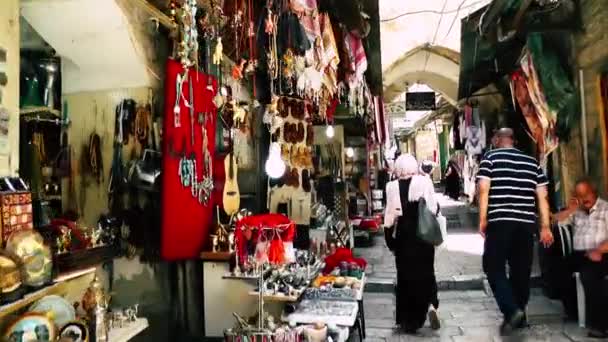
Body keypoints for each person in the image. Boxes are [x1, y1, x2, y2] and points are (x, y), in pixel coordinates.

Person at [477, 128, 554, 336]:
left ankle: (512, 311)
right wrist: (545, 226)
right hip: (526, 224)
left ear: (496, 140)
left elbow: (484, 189)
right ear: (514, 140)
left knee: (493, 267)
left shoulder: (490, 158)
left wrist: (483, 219)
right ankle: (520, 316)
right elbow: (542, 195)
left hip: (500, 221)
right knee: (521, 271)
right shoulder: (532, 162)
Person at [384, 154, 441, 333]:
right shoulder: (425, 182)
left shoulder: (392, 187)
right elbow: (433, 208)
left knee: (405, 276)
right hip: (423, 236)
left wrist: (389, 239)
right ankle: (430, 303)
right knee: (426, 271)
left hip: (404, 236)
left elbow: (390, 216)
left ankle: (409, 320)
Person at [553, 179, 608, 338]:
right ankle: (575, 312)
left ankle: (600, 325)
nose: (585, 198)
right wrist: (570, 210)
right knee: (558, 270)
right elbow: (555, 221)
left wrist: (598, 250)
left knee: (589, 276)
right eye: (580, 195)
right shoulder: (577, 210)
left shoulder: (605, 209)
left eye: (587, 194)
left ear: (594, 192)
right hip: (580, 255)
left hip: (602, 253)